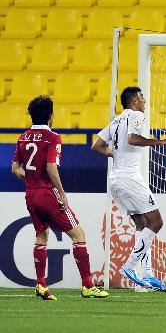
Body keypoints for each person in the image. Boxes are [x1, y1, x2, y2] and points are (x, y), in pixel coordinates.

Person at [12, 96, 109, 300]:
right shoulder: (53, 138)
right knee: (78, 235)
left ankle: (40, 284)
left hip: (31, 193)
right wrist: (62, 195)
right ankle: (88, 285)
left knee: (41, 236)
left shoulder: (23, 137)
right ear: (50, 116)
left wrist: (32, 181)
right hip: (48, 193)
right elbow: (51, 167)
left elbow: (15, 169)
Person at [92, 87, 166, 291]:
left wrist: (115, 155)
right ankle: (130, 266)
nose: (145, 101)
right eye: (142, 97)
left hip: (117, 180)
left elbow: (97, 146)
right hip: (130, 177)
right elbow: (133, 139)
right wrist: (161, 141)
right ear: (135, 101)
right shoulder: (137, 115)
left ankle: (147, 273)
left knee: (141, 225)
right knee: (157, 222)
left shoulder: (117, 120)